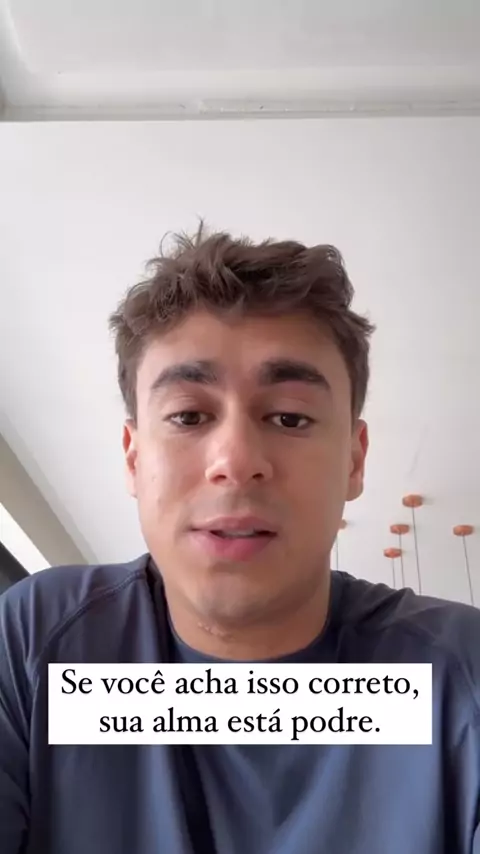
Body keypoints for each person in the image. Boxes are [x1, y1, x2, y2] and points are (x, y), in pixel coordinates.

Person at [1, 225, 479, 854]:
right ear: (133, 457)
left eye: (290, 417)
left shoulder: (461, 672)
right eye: (188, 416)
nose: (236, 460)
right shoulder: (37, 642)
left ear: (355, 459)